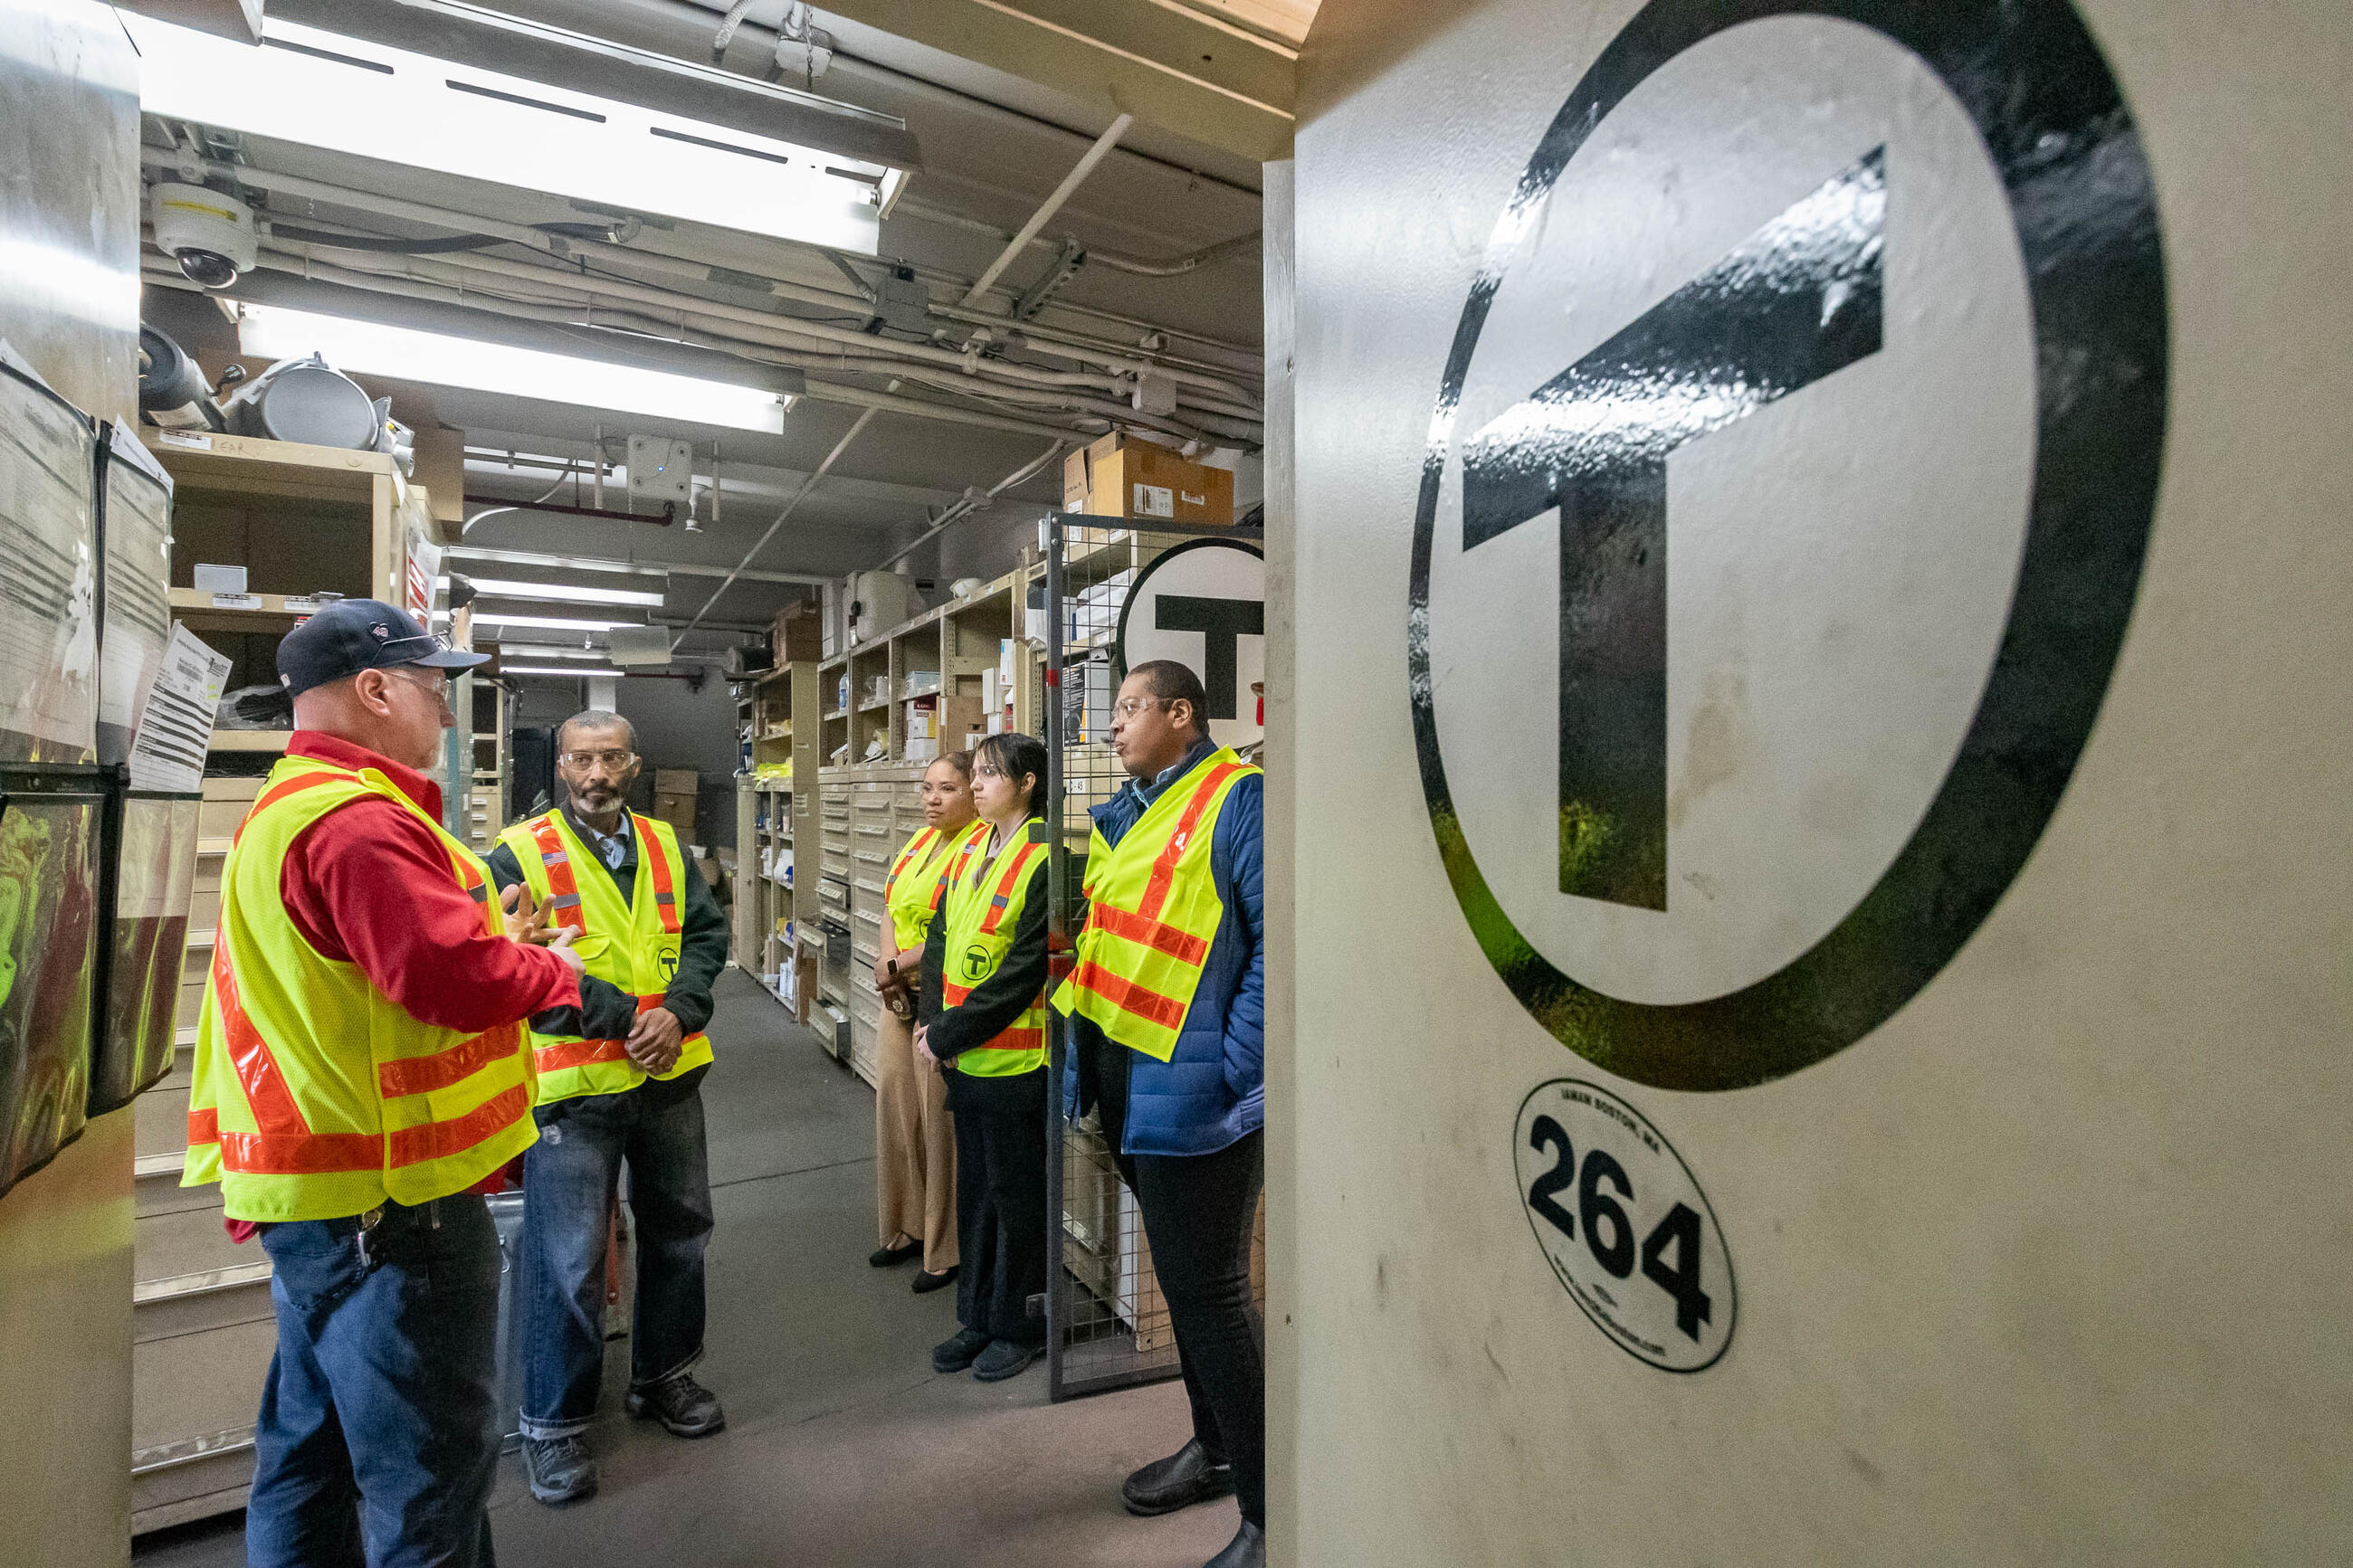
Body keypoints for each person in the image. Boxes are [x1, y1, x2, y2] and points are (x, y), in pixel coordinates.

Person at [180, 599, 586, 1568]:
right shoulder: (357, 823)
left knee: (309, 1457)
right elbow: (446, 976)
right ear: (374, 688)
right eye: (434, 690)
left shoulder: (290, 803)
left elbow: (380, 967)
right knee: (427, 1479)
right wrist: (561, 978)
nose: (444, 715)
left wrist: (490, 943)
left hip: (320, 1198)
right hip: (394, 1211)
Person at [486, 711, 731, 1505]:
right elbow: (511, 964)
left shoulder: (666, 845)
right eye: (583, 758)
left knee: (681, 1232)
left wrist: (681, 1012)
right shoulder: (517, 854)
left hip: (670, 1078)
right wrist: (626, 1020)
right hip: (576, 1092)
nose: (597, 772)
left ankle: (665, 1375)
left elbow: (704, 936)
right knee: (568, 1261)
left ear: (633, 765)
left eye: (612, 758)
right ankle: (552, 1427)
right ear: (561, 766)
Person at [1055, 660, 1266, 1568]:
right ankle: (1215, 1447)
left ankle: (1270, 1512)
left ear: (1183, 714)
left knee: (1212, 1298)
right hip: (1132, 1089)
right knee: (1184, 1292)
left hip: (1197, 1097)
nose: (1113, 726)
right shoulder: (1131, 814)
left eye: (1130, 708)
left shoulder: (1238, 796)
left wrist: (1234, 1068)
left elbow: (1277, 943)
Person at [919, 731, 1054, 1383]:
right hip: (966, 1062)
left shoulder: (1048, 856)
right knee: (976, 1195)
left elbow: (1025, 970)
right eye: (972, 773)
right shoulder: (971, 846)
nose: (975, 785)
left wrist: (948, 1034)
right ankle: (976, 1314)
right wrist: (930, 1026)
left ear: (1027, 782)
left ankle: (1019, 1324)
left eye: (990, 774)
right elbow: (941, 937)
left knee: (1017, 1199)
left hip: (1015, 1067)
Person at [870, 751, 975, 1293]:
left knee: (939, 1123)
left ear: (973, 792)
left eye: (947, 789)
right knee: (896, 1105)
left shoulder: (977, 848)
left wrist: (897, 966)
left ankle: (944, 1246)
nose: (932, 799)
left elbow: (950, 930)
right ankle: (905, 1226)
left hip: (937, 996)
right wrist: (888, 968)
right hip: (898, 995)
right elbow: (891, 905)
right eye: (928, 788)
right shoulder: (918, 843)